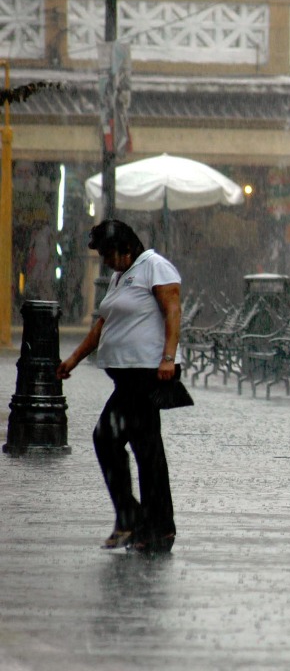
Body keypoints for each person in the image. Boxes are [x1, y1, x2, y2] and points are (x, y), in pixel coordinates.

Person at [56, 220, 184, 554]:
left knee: (107, 436)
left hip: (148, 372)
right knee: (146, 449)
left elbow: (172, 309)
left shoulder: (153, 266)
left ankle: (136, 518)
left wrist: (168, 357)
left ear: (126, 247)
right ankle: (154, 527)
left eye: (109, 254)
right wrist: (74, 359)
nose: (107, 261)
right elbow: (103, 324)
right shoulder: (120, 277)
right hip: (128, 375)